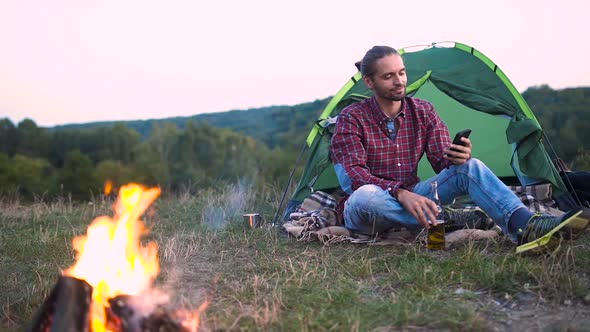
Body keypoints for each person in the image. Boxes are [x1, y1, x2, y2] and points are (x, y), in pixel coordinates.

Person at [330, 45, 580, 246]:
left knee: (471, 167)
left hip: (417, 196)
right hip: (368, 207)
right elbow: (353, 178)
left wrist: (458, 157)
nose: (399, 81)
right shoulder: (351, 118)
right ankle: (446, 218)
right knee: (365, 196)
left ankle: (524, 225)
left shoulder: (423, 111)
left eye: (401, 72)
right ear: (369, 82)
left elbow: (442, 162)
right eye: (388, 76)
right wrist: (400, 192)